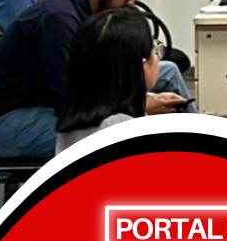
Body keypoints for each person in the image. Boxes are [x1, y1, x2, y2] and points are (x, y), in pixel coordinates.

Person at [0, 0, 195, 158]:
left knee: (168, 71)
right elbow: (69, 98)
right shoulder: (59, 19)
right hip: (10, 120)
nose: (131, 3)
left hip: (54, 100)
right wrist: (139, 106)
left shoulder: (85, 5)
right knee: (119, 133)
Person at [55, 9, 162, 152]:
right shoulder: (122, 128)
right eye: (154, 49)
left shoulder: (71, 125)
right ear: (139, 66)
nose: (157, 57)